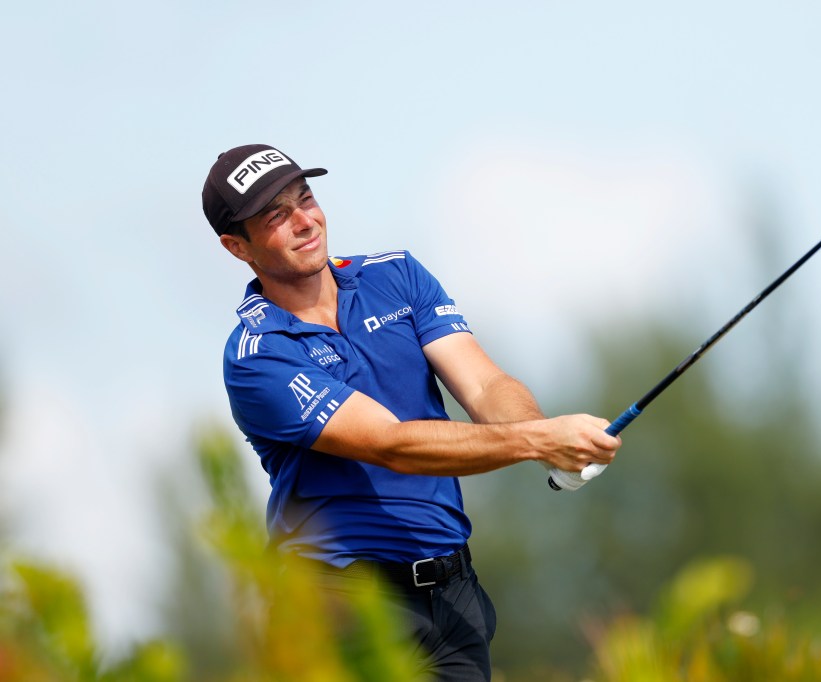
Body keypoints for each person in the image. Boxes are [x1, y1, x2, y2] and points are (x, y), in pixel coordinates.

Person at [201, 144, 621, 680]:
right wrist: (538, 442)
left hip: (451, 595)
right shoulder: (258, 353)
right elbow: (392, 444)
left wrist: (544, 437)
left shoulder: (396, 276)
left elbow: (485, 382)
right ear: (238, 246)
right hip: (338, 604)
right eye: (276, 216)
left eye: (304, 198)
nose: (304, 221)